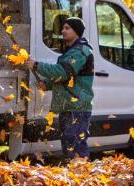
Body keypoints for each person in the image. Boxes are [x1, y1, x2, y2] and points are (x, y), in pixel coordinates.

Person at [24, 17, 94, 159]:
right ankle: (75, 171)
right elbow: (67, 77)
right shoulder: (72, 51)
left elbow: (62, 72)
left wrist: (37, 66)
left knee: (76, 146)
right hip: (69, 106)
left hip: (77, 108)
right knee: (69, 145)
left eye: (67, 28)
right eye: (63, 28)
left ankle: (81, 171)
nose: (63, 31)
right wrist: (48, 84)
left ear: (76, 31)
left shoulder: (80, 52)